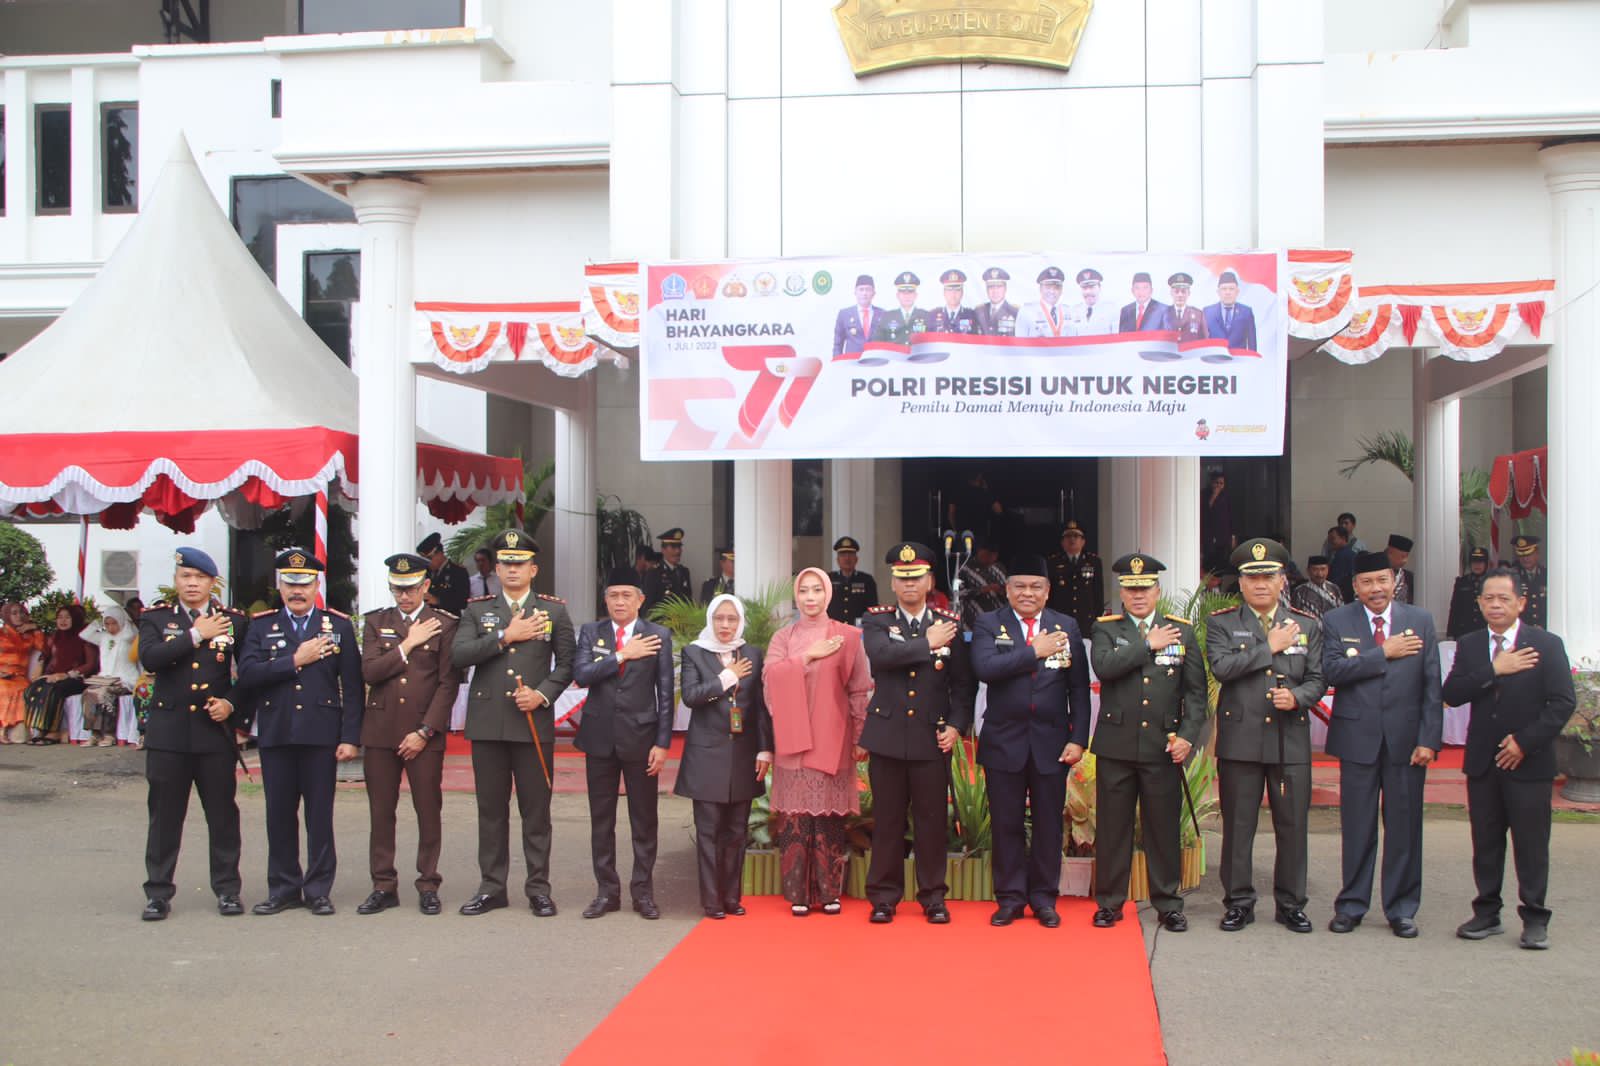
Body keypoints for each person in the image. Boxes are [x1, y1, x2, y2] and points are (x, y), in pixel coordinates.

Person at [1444, 568, 1574, 950]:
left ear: (1521, 602)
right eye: (1489, 598)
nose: (1496, 605)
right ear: (1479, 603)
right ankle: (1487, 912)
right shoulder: (1470, 644)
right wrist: (1494, 669)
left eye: (1504, 598)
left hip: (1528, 762)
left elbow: (1562, 702)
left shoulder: (1546, 644)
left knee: (1531, 844)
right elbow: (1452, 693)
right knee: (1486, 842)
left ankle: (1534, 917)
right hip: (1483, 762)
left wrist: (1524, 742)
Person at [452, 529, 574, 918]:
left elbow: (568, 664)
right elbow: (459, 655)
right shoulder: (476, 610)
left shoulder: (553, 611)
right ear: (497, 568)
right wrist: (506, 635)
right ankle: (492, 887)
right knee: (491, 811)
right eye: (506, 563)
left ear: (533, 569)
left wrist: (542, 695)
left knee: (536, 812)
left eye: (519, 563)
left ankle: (538, 888)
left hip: (531, 722)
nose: (512, 570)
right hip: (488, 723)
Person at [1207, 538, 1326, 934]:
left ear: (1282, 580)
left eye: (1268, 577)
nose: (1260, 584)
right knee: (1238, 826)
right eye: (1252, 578)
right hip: (1241, 739)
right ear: (1241, 583)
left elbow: (1318, 679)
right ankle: (1238, 902)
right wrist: (1269, 645)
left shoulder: (1306, 624)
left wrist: (1298, 697)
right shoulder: (1223, 623)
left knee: (1292, 826)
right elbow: (1222, 667)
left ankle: (1291, 903)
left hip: (1289, 739)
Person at [1320, 551, 1442, 938]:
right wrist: (1382, 653)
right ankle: (1351, 905)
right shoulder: (1337, 620)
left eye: (1382, 580)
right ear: (1355, 587)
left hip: (1406, 741)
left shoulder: (1419, 620)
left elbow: (1432, 685)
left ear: (1395, 581)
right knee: (1357, 827)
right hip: (1357, 739)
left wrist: (1429, 739)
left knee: (1405, 826)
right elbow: (1332, 671)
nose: (1376, 589)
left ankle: (1402, 908)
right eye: (1367, 582)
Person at [237, 549, 363, 916]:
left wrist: (350, 737)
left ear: (316, 585)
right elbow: (247, 674)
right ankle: (283, 888)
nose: (297, 591)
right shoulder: (261, 626)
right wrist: (294, 660)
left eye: (304, 583)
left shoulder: (337, 626)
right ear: (279, 586)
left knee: (319, 817)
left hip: (321, 734)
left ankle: (319, 889)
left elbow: (353, 687)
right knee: (278, 815)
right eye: (290, 583)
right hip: (276, 733)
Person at [971, 554, 1091, 928]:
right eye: (1020, 586)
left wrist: (1078, 738)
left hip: (1051, 742)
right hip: (1003, 740)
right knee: (1005, 823)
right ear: (1007, 590)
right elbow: (985, 668)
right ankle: (1009, 898)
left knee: (1048, 825)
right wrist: (1033, 652)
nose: (1027, 593)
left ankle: (1043, 898)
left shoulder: (1066, 625)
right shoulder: (989, 623)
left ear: (1047, 591)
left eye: (1035, 587)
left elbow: (1079, 688)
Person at [1089, 553, 1207, 932]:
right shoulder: (1106, 629)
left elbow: (1196, 694)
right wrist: (1148, 644)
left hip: (1162, 745)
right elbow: (1105, 667)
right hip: (1117, 745)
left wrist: (1187, 737)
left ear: (1157, 590)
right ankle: (1109, 903)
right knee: (1113, 829)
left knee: (1162, 829)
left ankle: (1168, 903)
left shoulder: (1181, 631)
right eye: (1131, 589)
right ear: (1121, 593)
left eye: (1145, 588)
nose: (1138, 595)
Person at [861, 543, 976, 925]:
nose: (909, 585)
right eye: (902, 578)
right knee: (888, 821)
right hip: (888, 735)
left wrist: (956, 725)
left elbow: (963, 685)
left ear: (929, 582)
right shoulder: (878, 621)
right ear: (893, 583)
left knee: (931, 822)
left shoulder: (949, 623)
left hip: (932, 735)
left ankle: (933, 896)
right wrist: (927, 642)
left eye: (916, 578)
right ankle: (884, 897)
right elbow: (881, 657)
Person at [136, 547, 251, 921]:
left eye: (199, 578)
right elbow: (151, 658)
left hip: (212, 734)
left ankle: (228, 890)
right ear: (176, 580)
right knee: (165, 817)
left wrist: (231, 705)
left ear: (211, 583)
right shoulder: (156, 618)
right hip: (168, 734)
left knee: (222, 816)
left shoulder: (233, 621)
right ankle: (158, 892)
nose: (192, 584)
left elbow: (249, 673)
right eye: (185, 577)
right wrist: (195, 634)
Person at [356, 552, 462, 917]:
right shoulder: (377, 622)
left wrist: (425, 731)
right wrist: (407, 644)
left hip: (423, 732)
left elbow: (448, 684)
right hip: (381, 730)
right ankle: (383, 884)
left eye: (412, 588)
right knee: (381, 811)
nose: (404, 596)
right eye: (397, 589)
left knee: (428, 809)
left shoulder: (444, 624)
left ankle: (428, 883)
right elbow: (370, 672)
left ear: (425, 586)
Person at [762, 568, 872, 917]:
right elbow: (770, 680)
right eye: (804, 591)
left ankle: (829, 892)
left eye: (817, 590)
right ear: (796, 596)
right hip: (793, 738)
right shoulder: (783, 638)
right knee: (795, 819)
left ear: (828, 594)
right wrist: (808, 656)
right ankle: (797, 893)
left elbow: (860, 689)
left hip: (832, 735)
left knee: (828, 819)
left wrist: (860, 735)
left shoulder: (848, 637)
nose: (810, 597)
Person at [572, 567, 675, 921]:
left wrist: (663, 742)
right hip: (598, 738)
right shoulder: (592, 632)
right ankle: (606, 892)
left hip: (641, 738)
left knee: (644, 820)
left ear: (640, 600)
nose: (619, 602)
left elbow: (665, 692)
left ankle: (643, 892)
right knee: (601, 820)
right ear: (605, 600)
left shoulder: (658, 635)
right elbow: (581, 675)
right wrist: (622, 654)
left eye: (626, 595)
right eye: (613, 595)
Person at [677, 594, 772, 919]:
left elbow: (760, 706)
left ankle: (732, 897)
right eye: (720, 618)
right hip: (706, 756)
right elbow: (691, 696)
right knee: (709, 832)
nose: (726, 625)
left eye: (732, 618)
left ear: (740, 621)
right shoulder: (695, 652)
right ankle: (712, 901)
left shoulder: (753, 654)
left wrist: (765, 747)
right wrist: (726, 677)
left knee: (736, 832)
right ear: (711, 620)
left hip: (744, 754)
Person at [24, 604, 98, 744]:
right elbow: (49, 659)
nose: (63, 620)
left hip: (78, 678)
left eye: (67, 617)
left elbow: (90, 665)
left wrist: (67, 675)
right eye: (60, 617)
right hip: (56, 676)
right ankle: (40, 729)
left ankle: (54, 731)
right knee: (34, 688)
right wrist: (45, 675)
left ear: (75, 618)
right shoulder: (55, 637)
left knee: (54, 691)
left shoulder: (85, 637)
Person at [81, 604, 140, 745]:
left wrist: (127, 622)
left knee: (106, 694)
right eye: (107, 624)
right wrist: (96, 622)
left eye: (114, 623)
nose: (110, 627)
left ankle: (109, 734)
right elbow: (84, 635)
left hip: (125, 680)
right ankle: (95, 733)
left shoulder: (129, 636)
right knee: (89, 693)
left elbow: (131, 632)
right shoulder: (104, 637)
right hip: (105, 679)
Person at [1046, 520, 1104, 635]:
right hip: (1060, 620)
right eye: (1068, 536)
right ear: (1062, 542)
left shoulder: (1093, 561)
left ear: (1083, 541)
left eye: (1076, 536)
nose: (1072, 539)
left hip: (1085, 621)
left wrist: (1097, 618)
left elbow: (1098, 593)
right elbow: (1049, 594)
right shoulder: (1053, 562)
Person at [0, 601, 45, 745]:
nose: (18, 616)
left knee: (23, 689)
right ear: (6, 616)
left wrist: (35, 627)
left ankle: (13, 730)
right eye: (14, 613)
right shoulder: (1, 633)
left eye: (21, 612)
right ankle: (2, 730)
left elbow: (42, 647)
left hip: (19, 676)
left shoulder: (28, 635)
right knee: (5, 689)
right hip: (1, 674)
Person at [827, 536, 879, 624]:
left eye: (850, 554)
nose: (847, 558)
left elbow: (872, 609)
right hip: (834, 628)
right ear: (837, 560)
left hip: (858, 628)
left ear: (856, 559)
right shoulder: (829, 579)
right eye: (843, 555)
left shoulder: (866, 580)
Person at [956, 540, 1007, 631]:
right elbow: (957, 593)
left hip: (998, 619)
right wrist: (983, 589)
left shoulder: (999, 568)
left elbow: (1009, 588)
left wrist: (1003, 590)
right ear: (980, 552)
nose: (990, 558)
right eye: (987, 555)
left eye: (993, 555)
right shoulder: (964, 569)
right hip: (973, 619)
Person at [1013, 266, 1075, 339]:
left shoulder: (1069, 311)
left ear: (1061, 290)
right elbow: (1020, 342)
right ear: (1040, 289)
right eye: (1048, 287)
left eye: (1056, 288)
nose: (1052, 292)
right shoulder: (1026, 311)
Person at [416, 532, 470, 616]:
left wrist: (438, 601)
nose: (427, 563)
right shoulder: (424, 572)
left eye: (429, 559)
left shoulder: (457, 572)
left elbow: (463, 603)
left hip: (450, 619)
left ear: (439, 554)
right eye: (424, 560)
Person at [641, 527, 693, 612]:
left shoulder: (684, 572)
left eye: (679, 547)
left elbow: (688, 601)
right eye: (673, 547)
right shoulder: (654, 573)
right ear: (663, 550)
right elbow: (648, 607)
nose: (677, 551)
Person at [1203, 270, 1258, 350]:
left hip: (1238, 357)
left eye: (1231, 289)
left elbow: (1252, 345)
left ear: (1237, 291)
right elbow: (1203, 343)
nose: (1227, 292)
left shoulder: (1246, 312)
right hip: (1216, 357)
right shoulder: (1207, 312)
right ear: (1218, 292)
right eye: (1224, 289)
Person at [832, 274, 883, 357]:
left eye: (868, 290)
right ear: (855, 292)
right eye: (861, 289)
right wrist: (837, 363)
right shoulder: (844, 314)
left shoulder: (883, 314)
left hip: (875, 361)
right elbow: (838, 345)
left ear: (874, 293)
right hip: (852, 362)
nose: (864, 293)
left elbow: (887, 343)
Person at [872, 272, 931, 344]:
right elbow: (878, 344)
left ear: (915, 295)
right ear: (897, 295)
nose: (907, 296)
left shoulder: (926, 316)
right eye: (903, 292)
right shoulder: (887, 317)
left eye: (910, 292)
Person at [1447, 547, 1490, 639]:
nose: (1477, 565)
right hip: (1464, 631)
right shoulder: (1462, 582)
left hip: (1485, 630)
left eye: (1480, 562)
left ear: (1486, 564)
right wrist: (1450, 633)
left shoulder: (1492, 582)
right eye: (1474, 562)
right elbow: (1455, 609)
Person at [1200, 468, 1234, 574]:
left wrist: (1232, 536)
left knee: (1222, 562)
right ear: (1211, 482)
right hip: (1208, 535)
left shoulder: (1226, 496)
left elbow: (1230, 516)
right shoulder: (1205, 494)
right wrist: (1214, 496)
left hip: (1223, 535)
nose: (1218, 486)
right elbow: (1205, 511)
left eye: (1221, 483)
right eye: (1216, 483)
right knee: (1209, 562)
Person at [1510, 534, 1548, 628]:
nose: (1525, 559)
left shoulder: (1547, 575)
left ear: (1537, 554)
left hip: (1544, 629)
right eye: (1521, 555)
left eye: (1528, 554)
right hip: (1521, 629)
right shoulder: (1512, 576)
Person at [927, 269, 977, 335]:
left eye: (957, 290)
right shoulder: (933, 315)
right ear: (944, 293)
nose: (953, 294)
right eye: (949, 290)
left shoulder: (972, 315)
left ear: (962, 292)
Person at [1160, 272, 1208, 341]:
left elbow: (1204, 341)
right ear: (1171, 293)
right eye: (1176, 291)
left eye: (1183, 291)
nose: (1180, 295)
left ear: (1189, 293)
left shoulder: (1198, 315)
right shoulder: (1163, 314)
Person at [1067, 267, 1114, 335]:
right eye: (1084, 288)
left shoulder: (1111, 310)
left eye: (1092, 287)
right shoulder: (1074, 311)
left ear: (1099, 288)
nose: (1088, 292)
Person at [973, 266, 1017, 337]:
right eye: (991, 287)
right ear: (986, 289)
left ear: (1005, 289)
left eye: (999, 287)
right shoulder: (979, 311)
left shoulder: (1015, 313)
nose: (995, 291)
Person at [1327, 526, 1357, 600]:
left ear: (1343, 538)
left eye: (1333, 538)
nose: (1330, 542)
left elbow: (1337, 579)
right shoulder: (1347, 553)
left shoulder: (1343, 555)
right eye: (1329, 540)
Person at [1385, 535, 1416, 605]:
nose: (1405, 561)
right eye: (1403, 556)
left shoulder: (1409, 577)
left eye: (1407, 556)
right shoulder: (1375, 574)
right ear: (1390, 553)